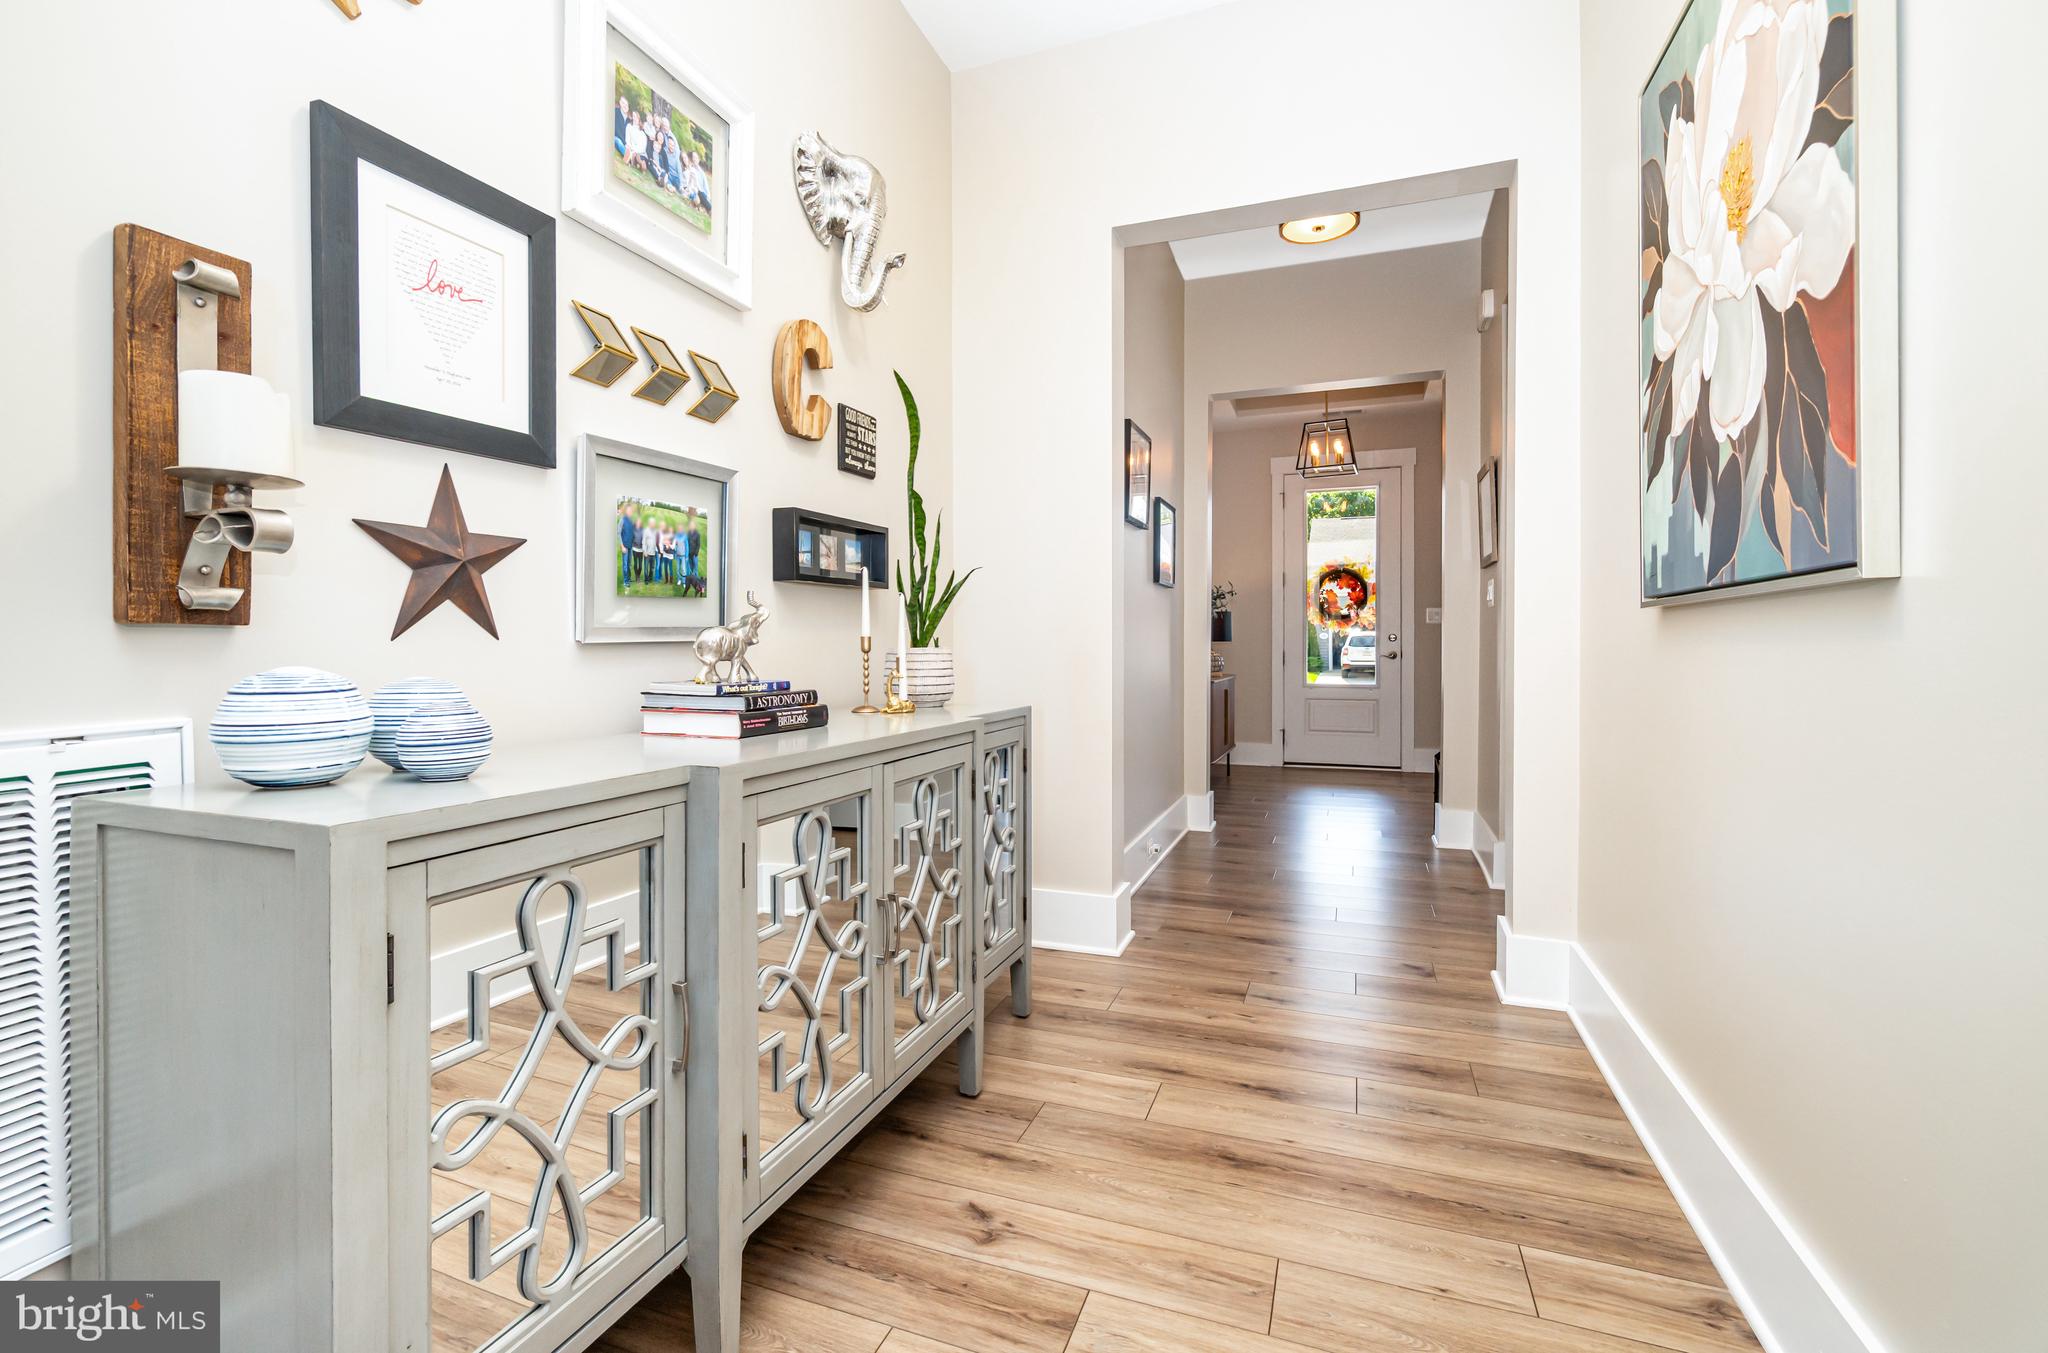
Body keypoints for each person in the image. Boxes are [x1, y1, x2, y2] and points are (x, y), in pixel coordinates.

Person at [617, 505, 638, 587]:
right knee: (625, 565)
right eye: (628, 510)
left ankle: (628, 578)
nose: (630, 512)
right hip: (625, 546)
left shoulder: (631, 521)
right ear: (626, 511)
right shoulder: (622, 520)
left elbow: (632, 533)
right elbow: (618, 533)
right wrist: (622, 546)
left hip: (630, 546)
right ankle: (626, 582)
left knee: (629, 564)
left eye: (631, 511)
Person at [638, 515, 659, 586]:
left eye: (654, 523)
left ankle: (650, 578)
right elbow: (643, 542)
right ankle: (646, 580)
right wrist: (644, 551)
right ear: (649, 523)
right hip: (647, 553)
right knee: (646, 567)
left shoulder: (656, 531)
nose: (653, 524)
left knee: (652, 567)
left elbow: (658, 541)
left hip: (653, 553)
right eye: (651, 523)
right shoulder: (646, 530)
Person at [656, 519, 677, 589]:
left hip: (670, 556)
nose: (670, 531)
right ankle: (666, 580)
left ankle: (671, 581)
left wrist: (668, 544)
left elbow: (673, 547)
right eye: (669, 529)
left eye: (671, 530)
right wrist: (666, 543)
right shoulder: (666, 536)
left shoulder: (674, 538)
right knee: (665, 568)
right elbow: (663, 543)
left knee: (670, 568)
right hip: (665, 554)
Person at [614, 96, 630, 161]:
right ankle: (628, 158)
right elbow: (616, 130)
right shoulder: (616, 112)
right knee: (619, 142)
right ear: (620, 103)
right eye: (623, 103)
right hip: (615, 137)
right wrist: (625, 143)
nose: (625, 106)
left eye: (626, 104)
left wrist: (627, 144)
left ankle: (630, 157)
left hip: (625, 142)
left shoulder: (629, 121)